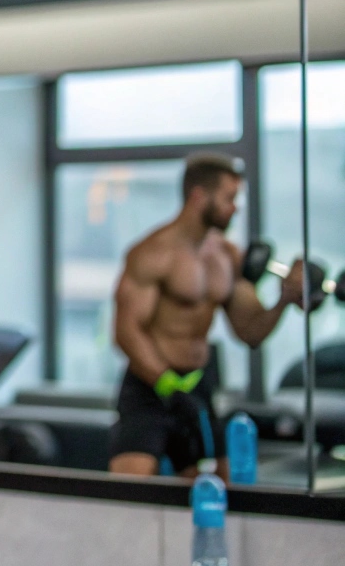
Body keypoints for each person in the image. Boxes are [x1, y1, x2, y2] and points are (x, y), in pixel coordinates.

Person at [109, 154, 304, 479]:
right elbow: (126, 332)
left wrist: (283, 300)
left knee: (216, 489)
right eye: (229, 198)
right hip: (150, 389)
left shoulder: (227, 256)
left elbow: (250, 331)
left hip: (198, 388)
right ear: (199, 196)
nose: (235, 207)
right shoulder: (152, 252)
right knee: (131, 487)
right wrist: (167, 383)